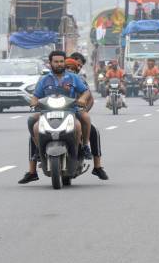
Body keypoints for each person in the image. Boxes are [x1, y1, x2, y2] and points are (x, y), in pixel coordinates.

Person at [18, 51, 105, 184]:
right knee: (34, 124)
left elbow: (86, 92)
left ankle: (85, 147)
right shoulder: (44, 80)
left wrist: (82, 99)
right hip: (47, 112)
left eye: (61, 61)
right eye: (56, 62)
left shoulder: (73, 78)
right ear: (50, 63)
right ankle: (38, 152)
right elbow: (36, 95)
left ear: (64, 62)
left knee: (82, 121)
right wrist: (34, 102)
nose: (59, 64)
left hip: (71, 111)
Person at [66, 54, 109, 179]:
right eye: (75, 64)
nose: (77, 67)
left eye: (79, 65)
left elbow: (89, 98)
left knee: (94, 132)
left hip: (75, 112)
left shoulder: (80, 80)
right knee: (37, 129)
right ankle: (34, 165)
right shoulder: (55, 77)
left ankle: (97, 166)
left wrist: (83, 110)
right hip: (56, 112)